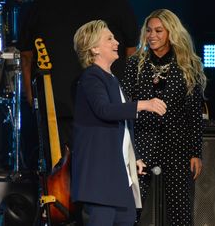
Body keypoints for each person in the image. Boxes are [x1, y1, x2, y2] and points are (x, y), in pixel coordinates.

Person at [18, 0, 139, 150]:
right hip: (57, 111)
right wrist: (32, 96)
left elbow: (132, 51)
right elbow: (26, 54)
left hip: (108, 109)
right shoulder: (43, 1)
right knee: (60, 172)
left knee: (102, 168)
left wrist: (131, 93)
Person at [71, 20, 167, 226]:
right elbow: (104, 110)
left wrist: (134, 158)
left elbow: (121, 128)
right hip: (100, 180)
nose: (116, 42)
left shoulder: (111, 79)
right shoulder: (92, 77)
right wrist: (143, 104)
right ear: (94, 48)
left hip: (118, 177)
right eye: (109, 39)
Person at [122, 9, 207, 225]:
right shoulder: (135, 64)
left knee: (180, 212)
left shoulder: (188, 65)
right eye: (149, 30)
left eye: (158, 30)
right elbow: (125, 106)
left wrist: (195, 152)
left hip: (176, 145)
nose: (152, 35)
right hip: (142, 142)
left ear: (171, 32)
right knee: (131, 210)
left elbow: (194, 115)